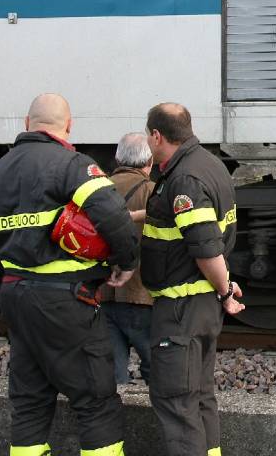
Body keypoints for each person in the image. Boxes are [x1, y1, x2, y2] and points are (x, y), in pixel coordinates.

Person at [0, 93, 139, 456]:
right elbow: (115, 218)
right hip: (65, 300)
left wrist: (1, 286)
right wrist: (125, 263)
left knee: (29, 401)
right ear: (69, 125)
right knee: (95, 400)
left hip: (15, 298)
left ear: (27, 125)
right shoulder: (72, 165)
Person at [141, 103, 243, 456]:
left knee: (177, 404)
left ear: (156, 136)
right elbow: (192, 224)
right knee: (200, 399)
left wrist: (225, 288)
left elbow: (205, 248)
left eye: (148, 136)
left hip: (181, 310)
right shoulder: (208, 164)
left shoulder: (184, 178)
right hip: (200, 308)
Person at [99, 132, 156, 386]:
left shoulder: (98, 191)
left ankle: (116, 421)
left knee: (113, 377)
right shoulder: (153, 193)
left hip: (103, 294)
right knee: (158, 370)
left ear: (117, 158)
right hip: (142, 295)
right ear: (150, 162)